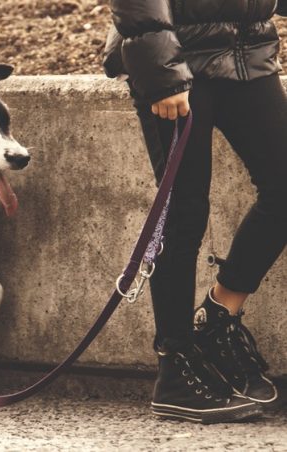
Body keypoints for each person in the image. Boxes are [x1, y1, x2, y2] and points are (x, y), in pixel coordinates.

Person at [104, 0, 287, 423]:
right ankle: (175, 369)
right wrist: (162, 73)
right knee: (184, 210)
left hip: (249, 53)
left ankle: (219, 318)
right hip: (177, 59)